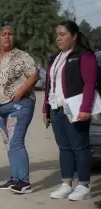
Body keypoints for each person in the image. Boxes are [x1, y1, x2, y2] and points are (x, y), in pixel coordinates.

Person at [43, 20, 98, 201]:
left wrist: (85, 109)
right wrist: (46, 107)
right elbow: (50, 85)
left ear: (74, 36)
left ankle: (83, 185)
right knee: (64, 148)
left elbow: (90, 83)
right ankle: (66, 184)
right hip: (57, 109)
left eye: (63, 34)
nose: (58, 38)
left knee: (80, 147)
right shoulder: (55, 58)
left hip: (75, 109)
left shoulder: (84, 55)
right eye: (57, 34)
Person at [0, 25, 39, 194]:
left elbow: (34, 75)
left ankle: (24, 181)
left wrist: (19, 94)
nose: (7, 37)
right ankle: (14, 178)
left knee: (16, 142)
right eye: (4, 34)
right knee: (9, 144)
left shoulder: (22, 56)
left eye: (10, 34)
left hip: (19, 105)